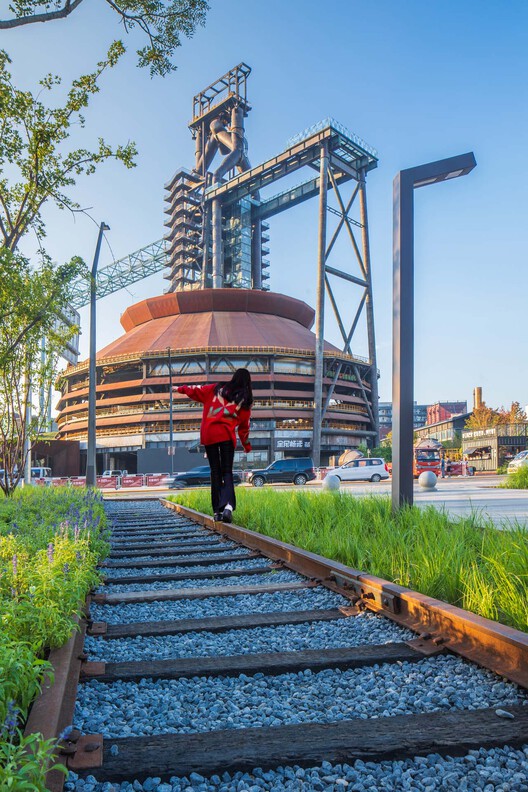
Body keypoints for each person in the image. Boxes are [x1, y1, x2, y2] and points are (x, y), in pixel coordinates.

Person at [175, 368, 253, 523]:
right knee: (227, 472)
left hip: (209, 435)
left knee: (215, 472)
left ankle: (217, 512)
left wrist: (180, 389)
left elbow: (197, 391)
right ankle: (228, 507)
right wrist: (246, 445)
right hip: (226, 437)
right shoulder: (245, 401)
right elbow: (244, 428)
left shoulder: (216, 389)